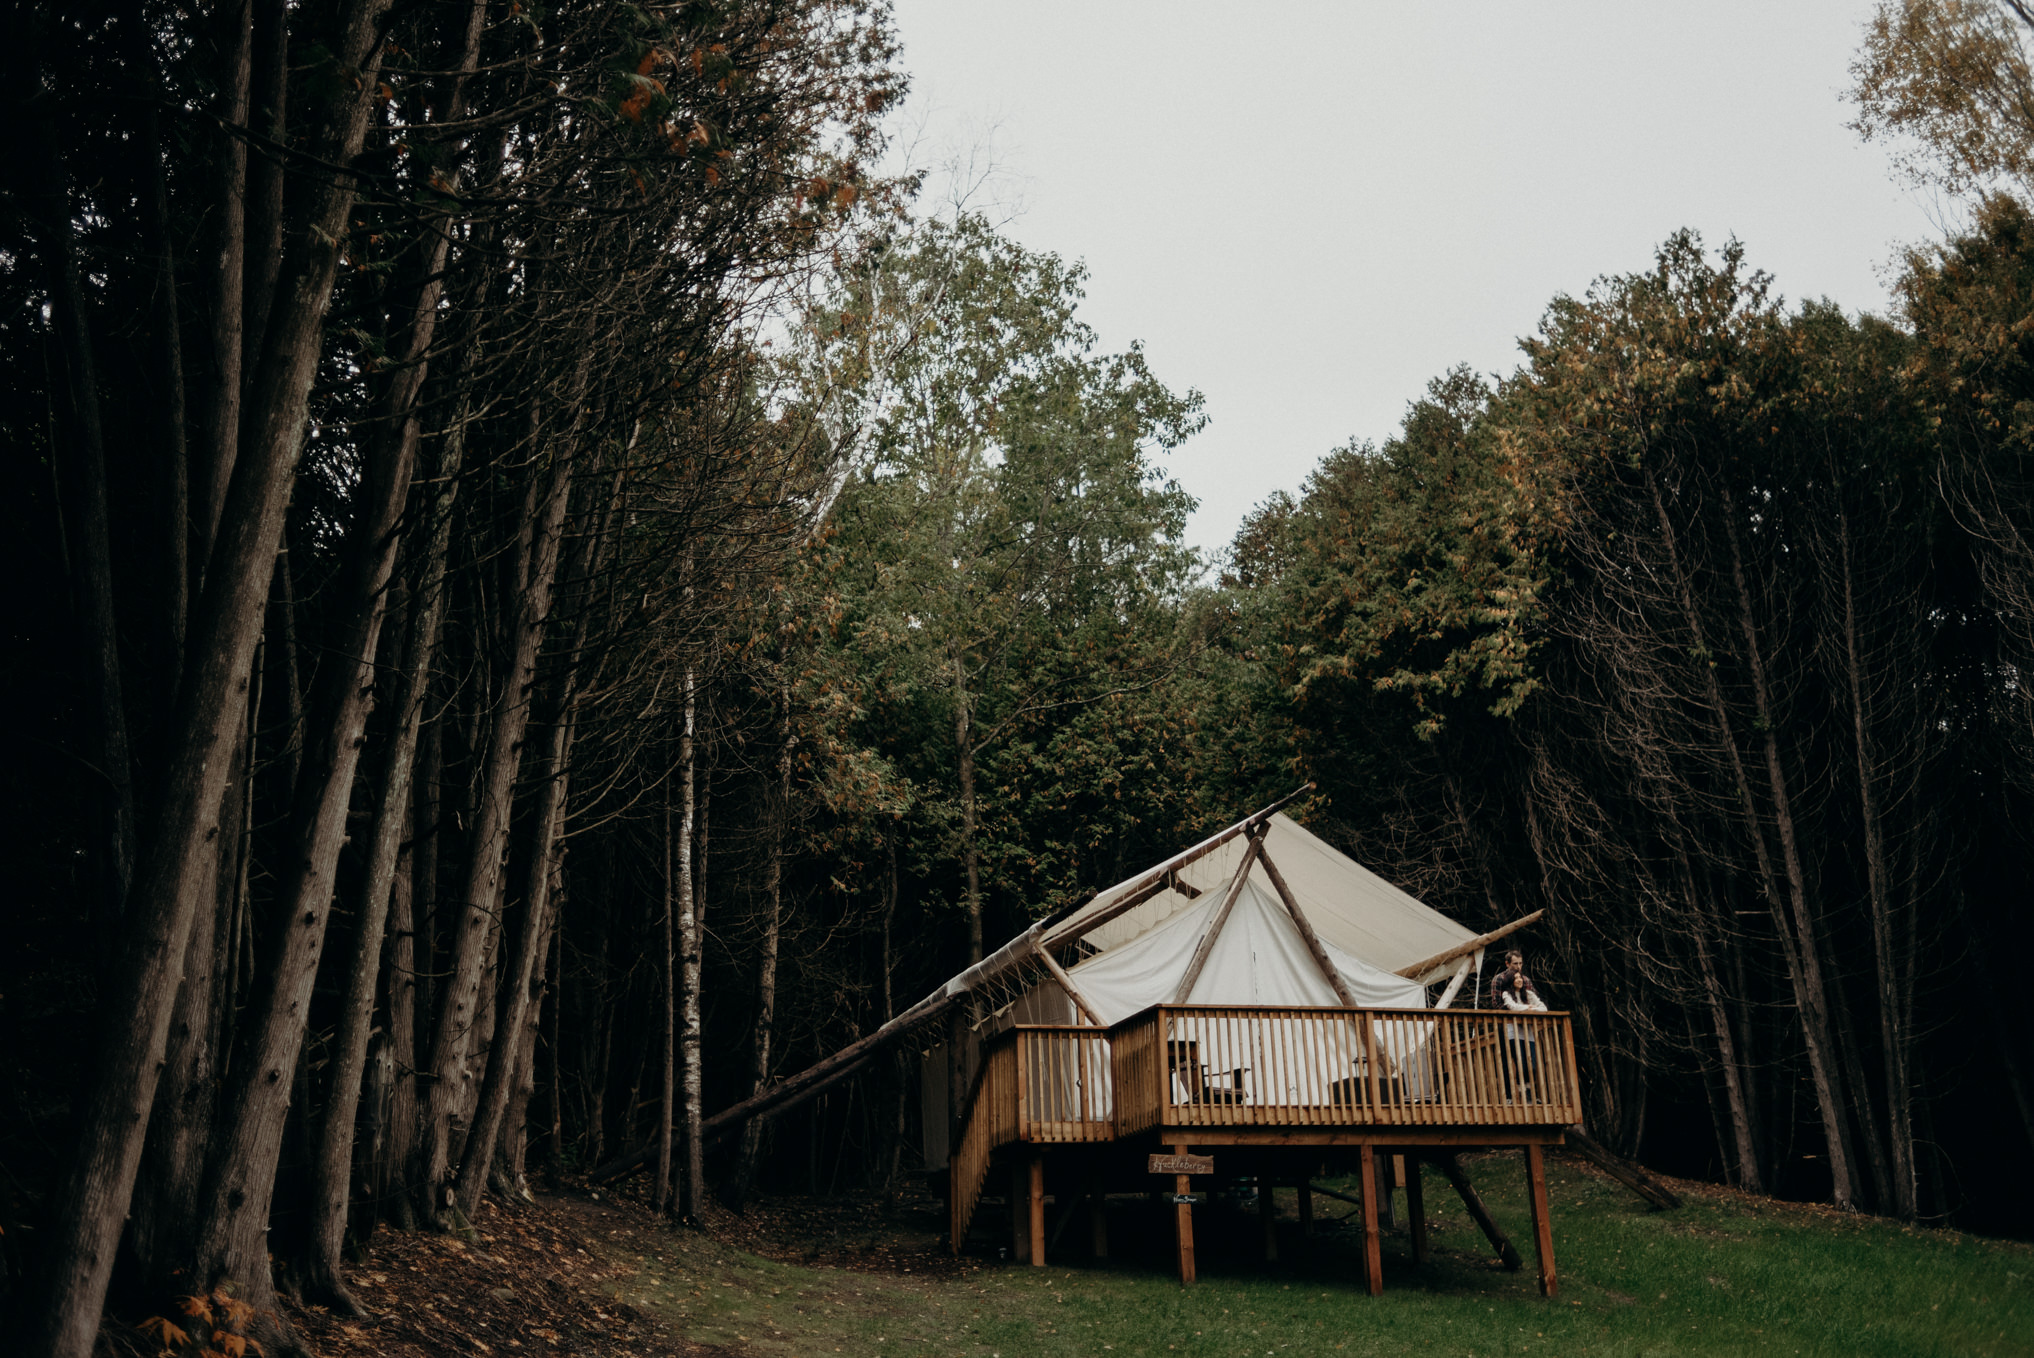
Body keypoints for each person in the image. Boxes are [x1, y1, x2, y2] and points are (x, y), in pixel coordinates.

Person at [1490, 950, 1547, 1100]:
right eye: (1515, 963)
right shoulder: (1500, 979)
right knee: (1508, 1061)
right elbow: (1497, 1004)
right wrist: (1519, 1012)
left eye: (1520, 963)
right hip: (1506, 1025)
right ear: (1507, 963)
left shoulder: (1525, 980)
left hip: (1526, 1026)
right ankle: (1509, 1096)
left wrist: (1529, 1012)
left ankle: (1529, 1094)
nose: (1518, 966)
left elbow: (1534, 1000)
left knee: (1529, 1062)